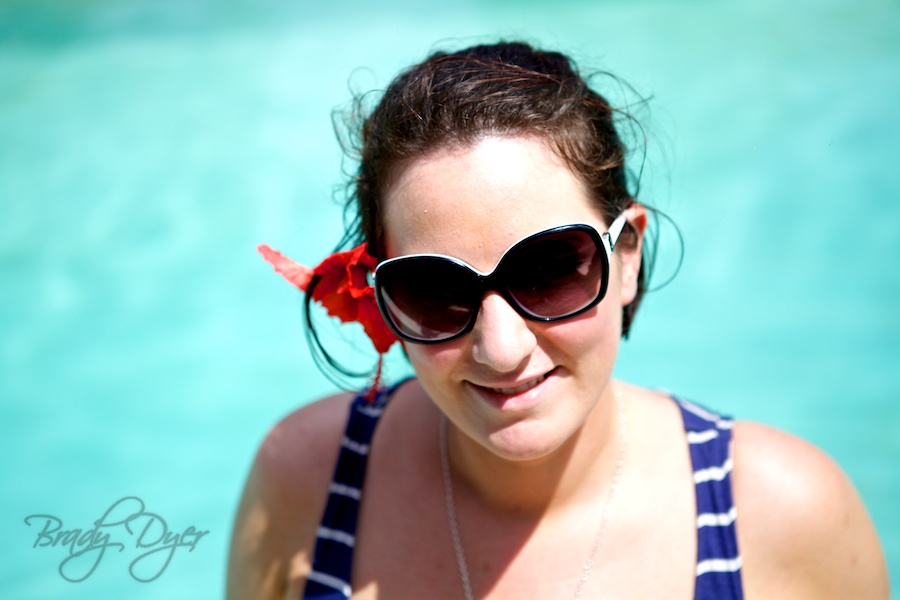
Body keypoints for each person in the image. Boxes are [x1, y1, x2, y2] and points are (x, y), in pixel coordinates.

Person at [227, 41, 889, 599]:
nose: (501, 348)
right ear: (381, 297)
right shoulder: (306, 481)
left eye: (546, 271)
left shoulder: (780, 514)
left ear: (627, 255)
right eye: (435, 289)